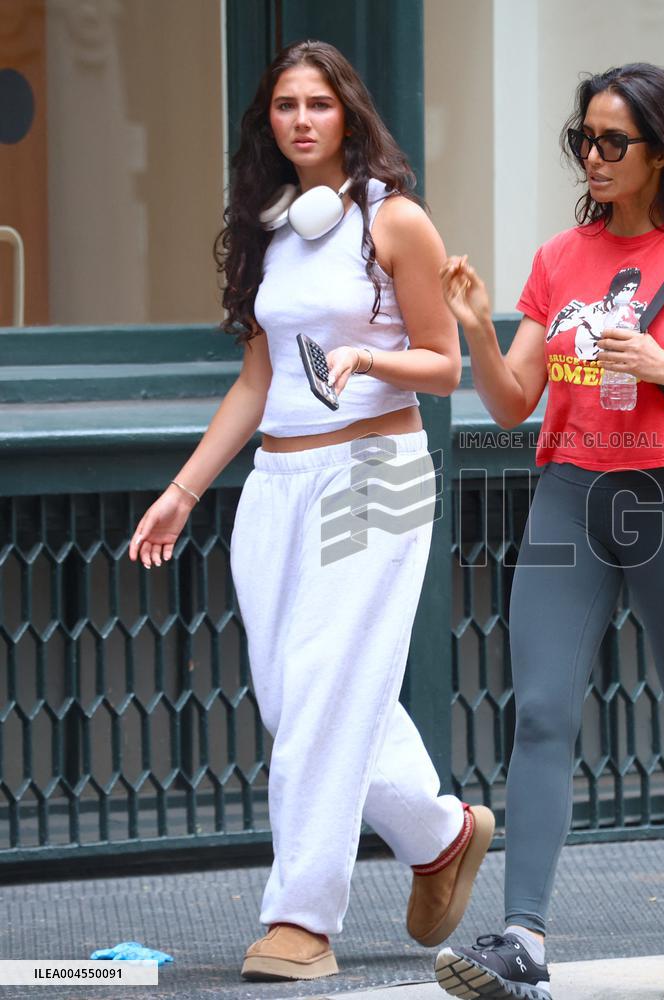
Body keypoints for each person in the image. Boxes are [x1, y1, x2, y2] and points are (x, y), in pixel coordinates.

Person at [127, 39, 493, 982]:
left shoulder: (394, 221)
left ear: (349, 116)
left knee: (328, 688)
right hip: (278, 484)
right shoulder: (272, 226)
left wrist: (368, 360)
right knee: (301, 698)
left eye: (318, 105)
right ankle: (439, 832)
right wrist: (184, 490)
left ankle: (301, 919)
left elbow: (445, 365)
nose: (300, 119)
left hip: (377, 469)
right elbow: (257, 378)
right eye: (285, 104)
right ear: (270, 122)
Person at [436, 63, 664, 1000]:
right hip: (570, 498)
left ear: (661, 151)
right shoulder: (560, 259)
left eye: (611, 142)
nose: (592, 158)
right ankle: (523, 941)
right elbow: (514, 402)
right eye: (582, 140)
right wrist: (477, 326)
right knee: (544, 710)